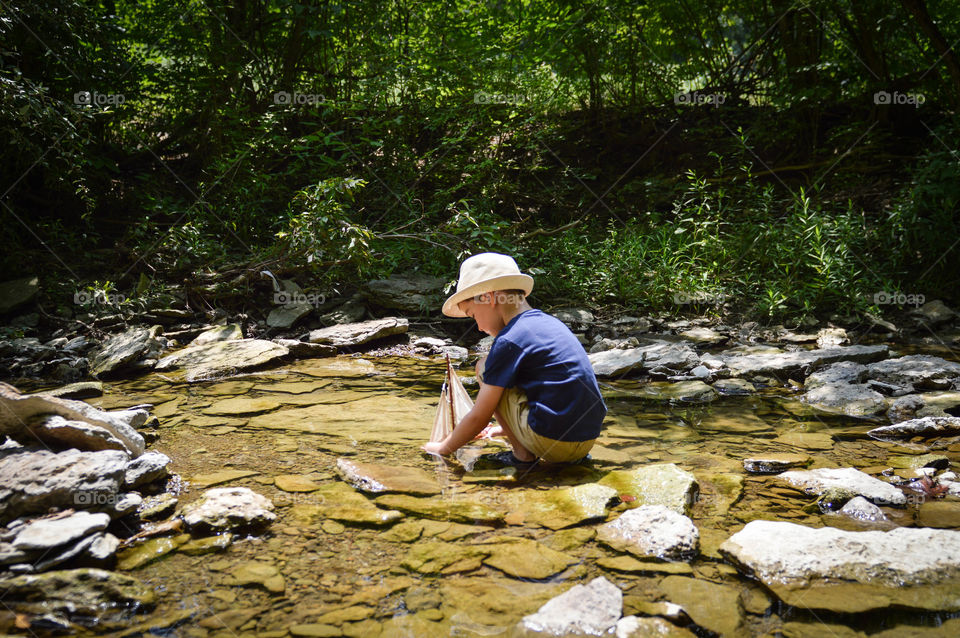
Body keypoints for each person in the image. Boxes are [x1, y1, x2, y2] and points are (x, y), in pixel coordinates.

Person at [422, 252, 606, 466]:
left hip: (553, 442)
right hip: (587, 439)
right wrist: (503, 428)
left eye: (473, 316)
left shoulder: (509, 340)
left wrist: (442, 448)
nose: (479, 327)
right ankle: (542, 444)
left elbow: (480, 416)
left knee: (484, 367)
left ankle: (522, 455)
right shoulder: (549, 323)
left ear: (488, 298)